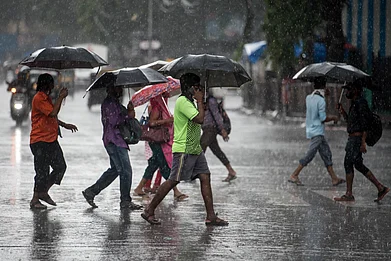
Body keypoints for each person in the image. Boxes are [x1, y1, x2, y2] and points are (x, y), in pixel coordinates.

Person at [141, 73, 228, 226]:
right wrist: (200, 101)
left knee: (205, 176)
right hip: (184, 149)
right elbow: (199, 119)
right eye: (196, 87)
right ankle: (149, 210)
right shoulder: (183, 101)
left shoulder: (190, 101)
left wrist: (201, 104)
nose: (199, 90)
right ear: (188, 88)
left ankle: (211, 216)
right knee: (173, 180)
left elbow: (198, 118)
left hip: (195, 148)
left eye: (199, 87)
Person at [82, 84, 143, 210]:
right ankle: (125, 200)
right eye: (118, 88)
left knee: (115, 170)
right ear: (110, 89)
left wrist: (127, 111)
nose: (120, 90)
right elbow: (115, 121)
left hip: (114, 140)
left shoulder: (114, 103)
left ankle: (91, 192)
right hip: (114, 141)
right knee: (126, 171)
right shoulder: (109, 103)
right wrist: (128, 115)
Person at [334, 82, 389, 202]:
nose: (347, 92)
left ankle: (351, 193)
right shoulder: (354, 104)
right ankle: (380, 187)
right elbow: (351, 122)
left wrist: (363, 142)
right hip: (352, 139)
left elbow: (365, 124)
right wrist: (343, 112)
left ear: (356, 90)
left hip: (357, 139)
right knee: (354, 164)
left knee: (351, 163)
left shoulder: (361, 103)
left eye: (349, 89)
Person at [29, 73, 78, 209]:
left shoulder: (47, 98)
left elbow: (51, 116)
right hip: (40, 140)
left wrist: (64, 125)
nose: (54, 85)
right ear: (46, 84)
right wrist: (61, 97)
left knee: (60, 167)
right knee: (42, 171)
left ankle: (43, 191)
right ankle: (35, 198)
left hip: (51, 140)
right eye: (52, 83)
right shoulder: (39, 98)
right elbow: (52, 113)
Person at [288, 77, 345, 186]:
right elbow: (322, 118)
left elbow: (315, 110)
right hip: (317, 131)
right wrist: (334, 117)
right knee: (310, 154)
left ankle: (334, 178)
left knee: (326, 153)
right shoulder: (321, 100)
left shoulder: (309, 97)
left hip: (311, 129)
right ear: (324, 86)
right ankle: (295, 174)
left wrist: (325, 98)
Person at [133, 93, 188, 201]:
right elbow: (152, 123)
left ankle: (139, 187)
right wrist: (167, 121)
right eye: (165, 94)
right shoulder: (157, 107)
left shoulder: (160, 105)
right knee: (163, 165)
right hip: (156, 141)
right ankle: (175, 191)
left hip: (157, 141)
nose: (167, 95)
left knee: (154, 163)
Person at [201, 89, 236, 182]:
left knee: (200, 149)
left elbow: (217, 116)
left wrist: (222, 130)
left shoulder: (211, 101)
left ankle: (194, 172)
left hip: (210, 129)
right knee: (216, 151)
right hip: (206, 129)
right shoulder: (202, 101)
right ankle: (231, 171)